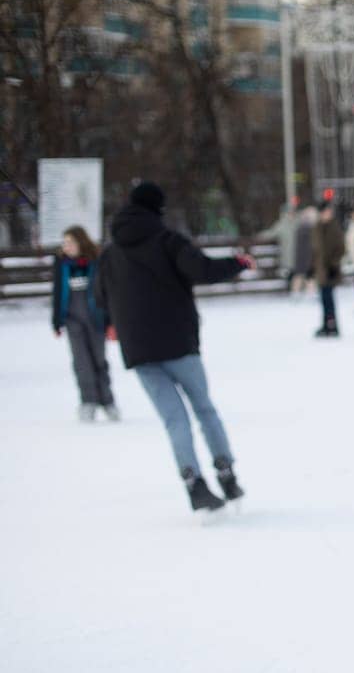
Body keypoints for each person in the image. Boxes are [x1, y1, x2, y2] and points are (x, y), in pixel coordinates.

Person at [93, 182, 254, 512]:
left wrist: (114, 322)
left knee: (174, 420)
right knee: (204, 409)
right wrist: (238, 263)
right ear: (158, 209)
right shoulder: (167, 240)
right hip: (178, 342)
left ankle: (194, 484)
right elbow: (203, 270)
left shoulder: (110, 253)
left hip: (138, 350)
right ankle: (226, 474)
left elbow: (99, 296)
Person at [51, 225, 117, 421]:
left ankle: (107, 401)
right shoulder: (62, 265)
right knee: (81, 363)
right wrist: (56, 321)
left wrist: (111, 322)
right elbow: (57, 293)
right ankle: (88, 401)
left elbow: (108, 293)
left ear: (81, 242)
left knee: (99, 361)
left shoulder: (96, 263)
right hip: (73, 321)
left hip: (96, 320)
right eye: (64, 243)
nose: (66, 246)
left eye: (70, 242)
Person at [310, 201, 344, 338]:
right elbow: (315, 250)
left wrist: (334, 264)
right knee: (323, 299)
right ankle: (326, 324)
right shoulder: (317, 227)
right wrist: (312, 268)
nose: (327, 214)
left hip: (331, 268)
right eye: (325, 211)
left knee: (328, 298)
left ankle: (332, 325)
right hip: (320, 269)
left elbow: (340, 248)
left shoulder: (334, 227)